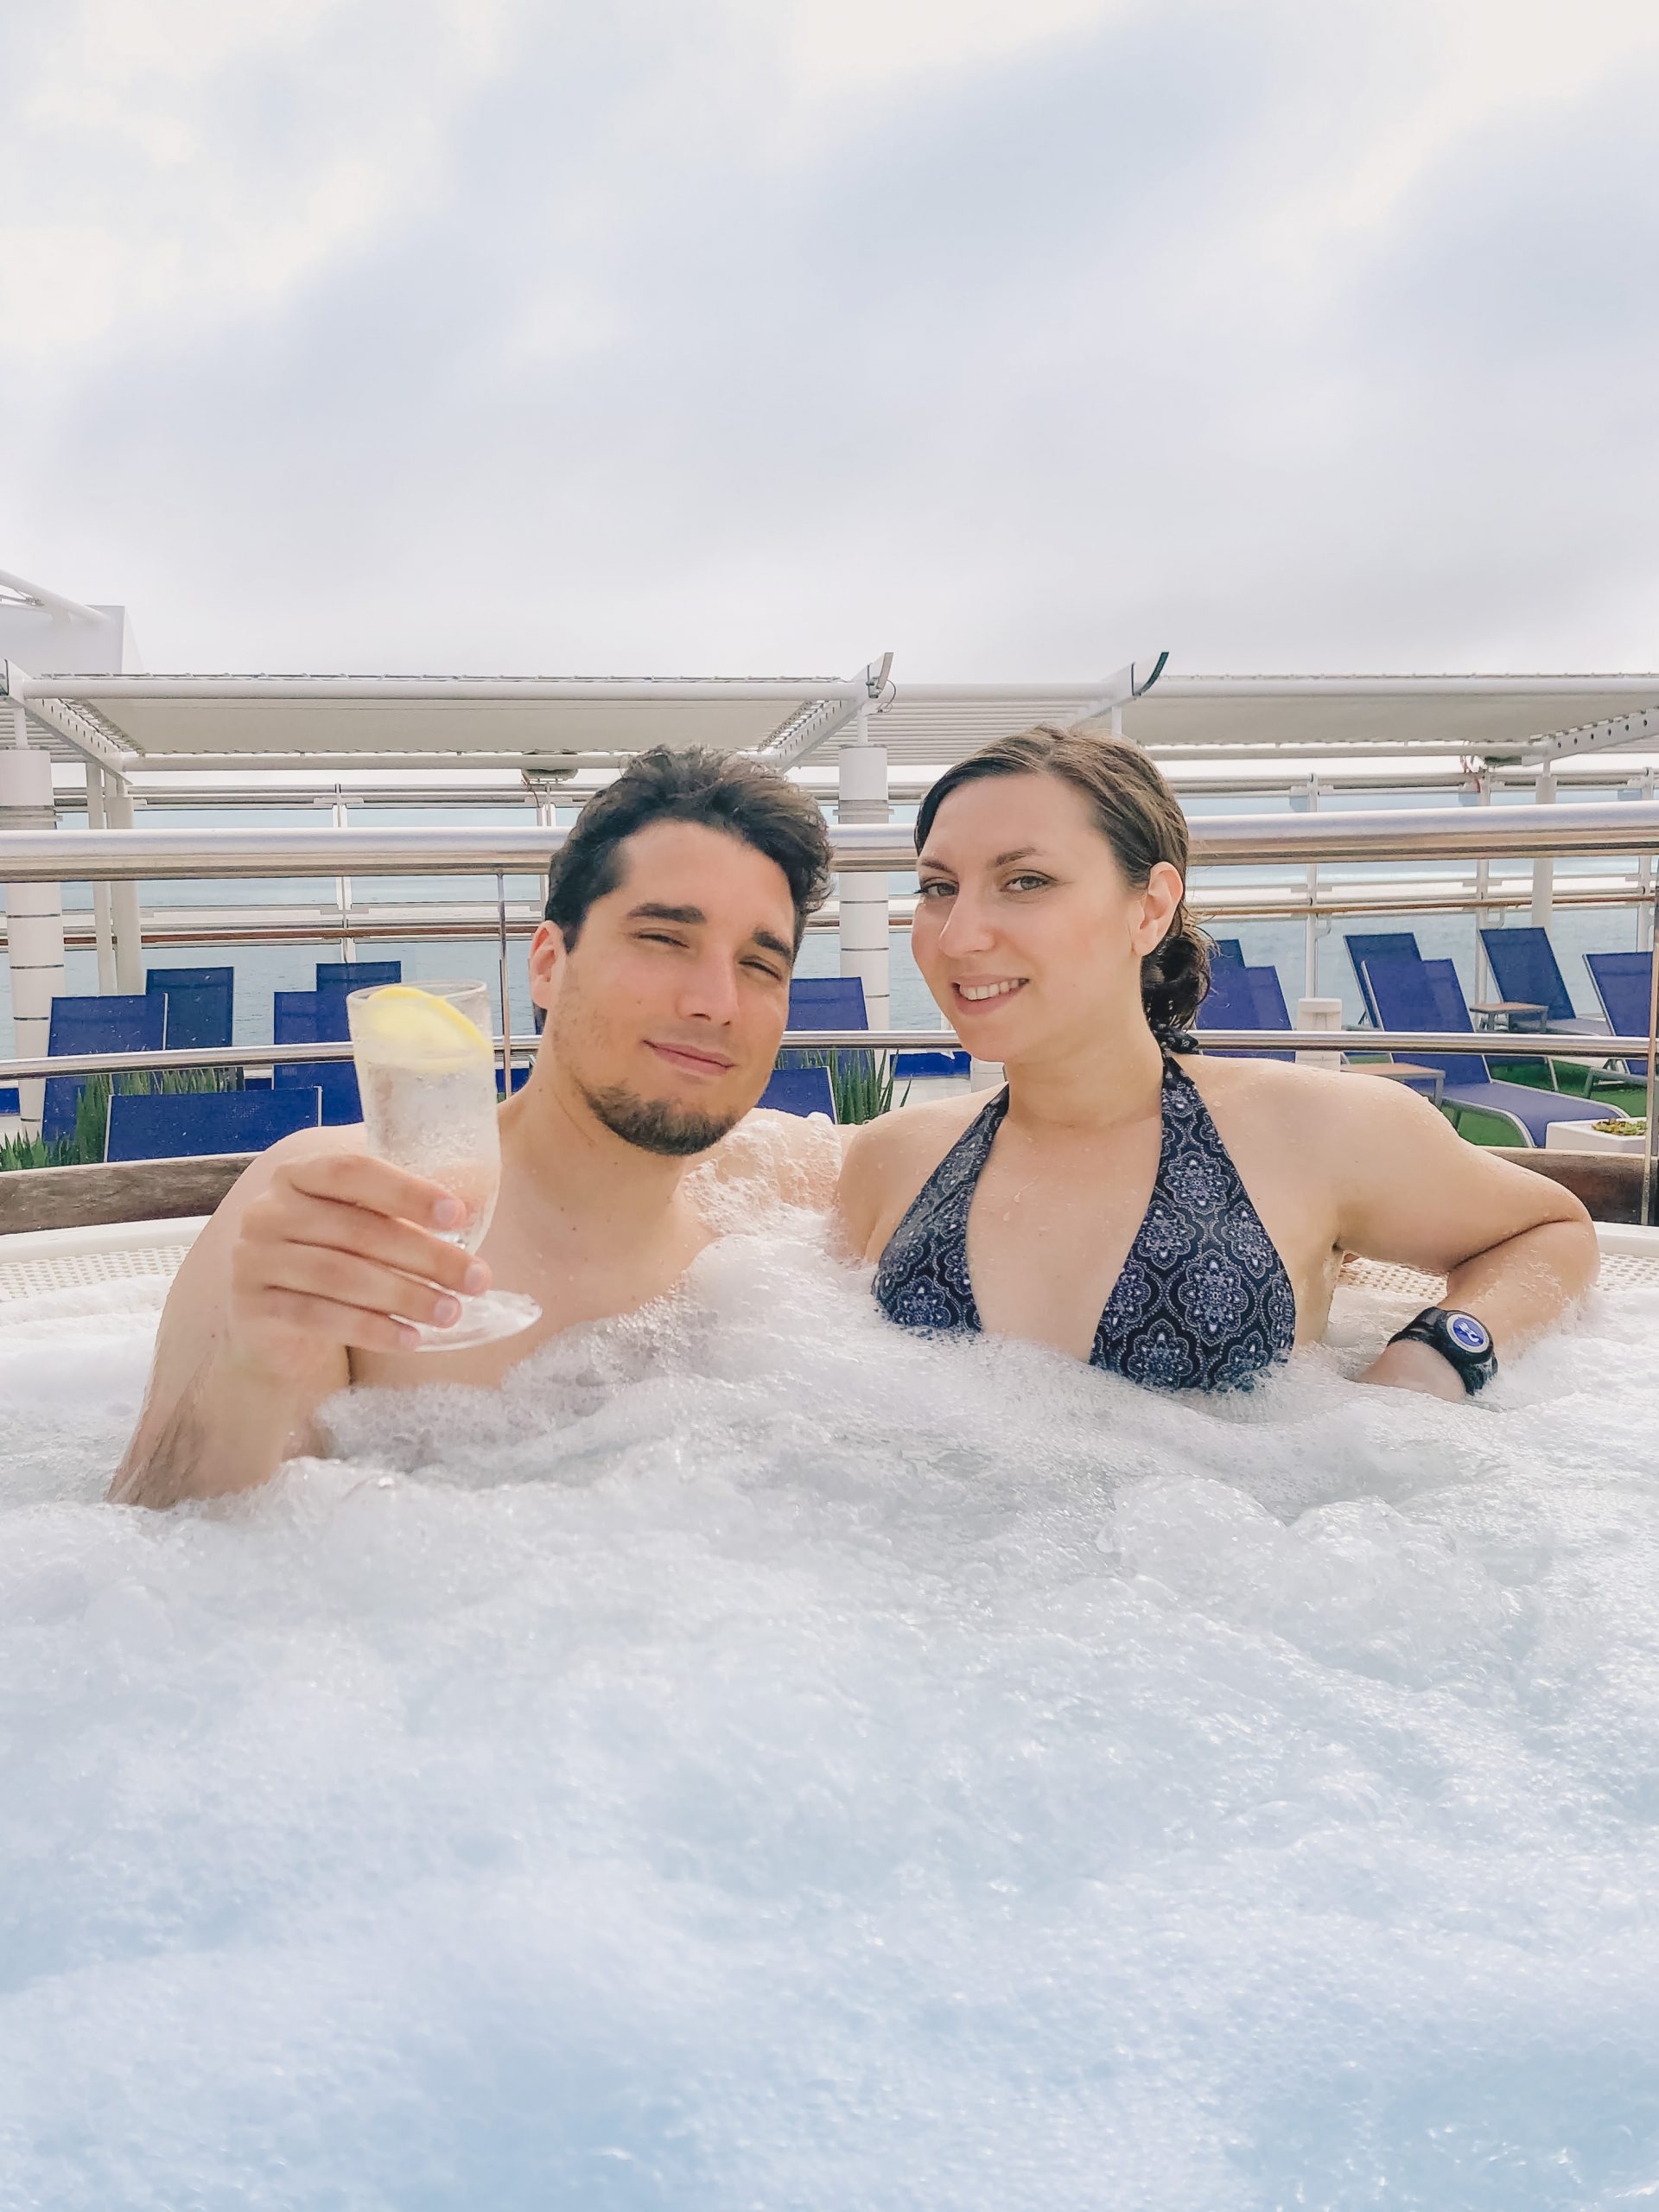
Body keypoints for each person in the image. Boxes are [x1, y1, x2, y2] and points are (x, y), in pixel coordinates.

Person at [111, 747, 835, 1509]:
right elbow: (163, 1547)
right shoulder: (350, 1213)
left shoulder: (778, 1193)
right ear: (549, 964)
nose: (716, 1002)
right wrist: (253, 1371)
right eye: (663, 938)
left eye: (760, 965)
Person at [836, 726, 1598, 1399]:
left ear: (1151, 907)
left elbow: (1552, 1232)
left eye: (1025, 881)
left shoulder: (1312, 1128)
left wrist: (1436, 1357)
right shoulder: (894, 1157)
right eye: (938, 888)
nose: (958, 935)